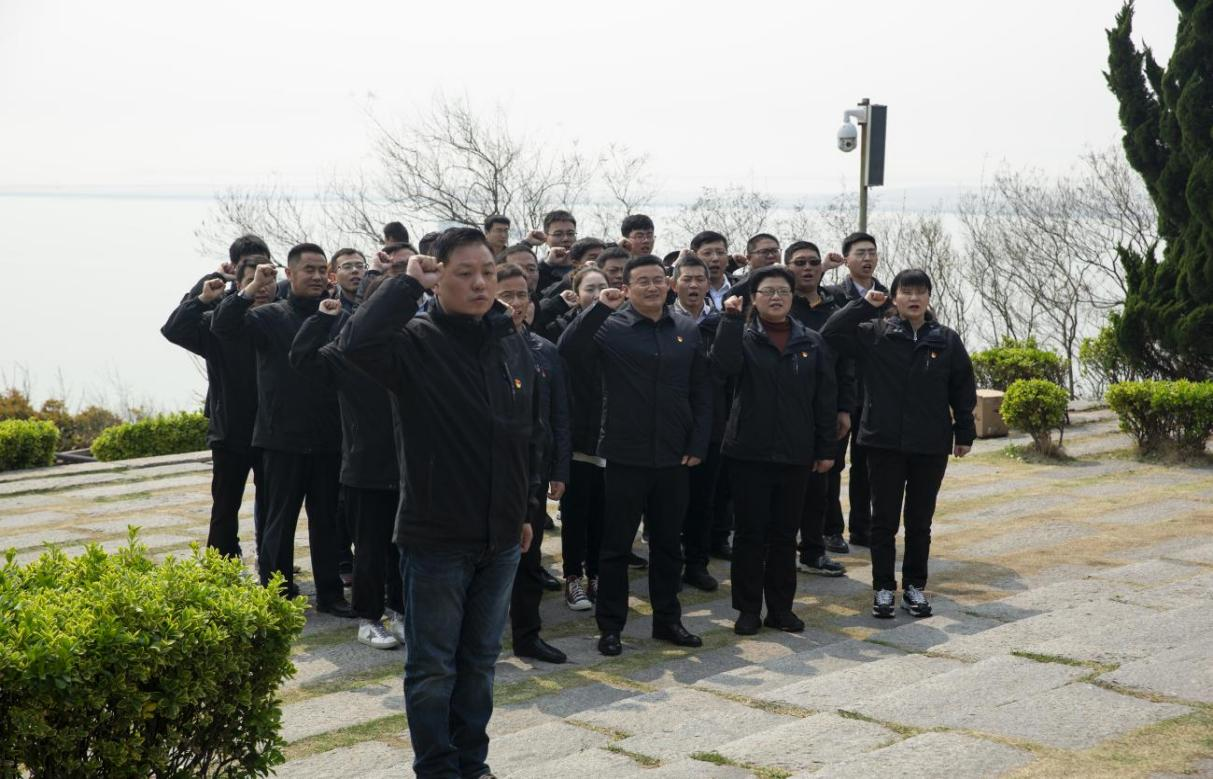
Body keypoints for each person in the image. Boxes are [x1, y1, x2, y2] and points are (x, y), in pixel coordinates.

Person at [335, 228, 539, 778]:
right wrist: (405, 286)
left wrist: (525, 509)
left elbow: (524, 433)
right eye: (464, 273)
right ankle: (437, 768)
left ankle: (473, 763)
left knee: (480, 662)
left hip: (501, 535)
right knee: (432, 668)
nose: (480, 284)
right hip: (436, 537)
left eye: (488, 273)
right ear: (438, 278)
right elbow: (355, 345)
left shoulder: (508, 339)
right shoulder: (415, 342)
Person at [558, 255, 712, 656]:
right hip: (625, 455)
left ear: (669, 285)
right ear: (626, 288)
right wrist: (598, 308)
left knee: (668, 546)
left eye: (658, 279)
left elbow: (700, 390)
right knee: (615, 547)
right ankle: (611, 627)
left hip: (674, 456)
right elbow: (568, 350)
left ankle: (668, 620)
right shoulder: (611, 326)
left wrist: (698, 443)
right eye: (642, 281)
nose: (652, 287)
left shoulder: (686, 328)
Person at [822, 268, 976, 619]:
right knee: (884, 522)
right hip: (883, 442)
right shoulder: (875, 333)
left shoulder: (945, 339)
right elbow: (830, 333)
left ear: (929, 298)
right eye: (906, 291)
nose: (914, 298)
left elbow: (962, 387)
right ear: (894, 297)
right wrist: (863, 305)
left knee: (920, 522)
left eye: (920, 291)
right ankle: (882, 588)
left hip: (930, 444)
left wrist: (964, 433)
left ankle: (914, 587)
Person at [211, 244, 350, 616]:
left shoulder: (337, 315)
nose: (317, 276)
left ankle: (331, 595)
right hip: (280, 439)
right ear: (290, 274)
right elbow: (223, 325)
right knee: (279, 522)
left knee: (326, 522)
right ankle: (277, 593)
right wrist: (250, 287)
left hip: (329, 438)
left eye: (322, 269)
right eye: (308, 269)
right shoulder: (269, 316)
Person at [713, 267, 837, 634]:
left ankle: (781, 609)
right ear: (754, 298)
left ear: (792, 296)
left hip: (795, 453)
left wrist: (825, 448)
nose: (776, 297)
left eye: (783, 290)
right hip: (748, 453)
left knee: (785, 535)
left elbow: (824, 398)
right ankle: (748, 609)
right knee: (749, 535)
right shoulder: (742, 336)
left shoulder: (811, 341)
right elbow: (723, 367)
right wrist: (730, 321)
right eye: (767, 291)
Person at [289, 282, 406, 650]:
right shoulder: (344, 352)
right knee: (369, 550)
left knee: (403, 548)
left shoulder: (410, 346)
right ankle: (369, 619)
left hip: (409, 469)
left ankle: (400, 612)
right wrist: (322, 319)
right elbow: (301, 358)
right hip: (364, 469)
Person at [161, 255, 271, 560]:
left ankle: (272, 563)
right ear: (239, 285)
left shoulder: (282, 319)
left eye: (267, 280)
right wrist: (202, 295)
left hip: (274, 431)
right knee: (225, 505)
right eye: (252, 280)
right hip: (231, 430)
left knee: (274, 505)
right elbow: (174, 329)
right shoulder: (217, 325)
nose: (261, 286)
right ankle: (221, 565)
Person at [496, 264, 572, 664]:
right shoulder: (479, 348)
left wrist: (559, 470)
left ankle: (528, 635)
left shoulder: (544, 349)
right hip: (488, 472)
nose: (515, 304)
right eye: (505, 295)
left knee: (529, 558)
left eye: (522, 295)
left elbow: (558, 415)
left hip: (533, 471)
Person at [783, 241, 853, 575]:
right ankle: (779, 552)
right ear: (787, 268)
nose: (808, 268)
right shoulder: (778, 305)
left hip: (823, 408)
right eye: (800, 263)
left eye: (814, 262)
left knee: (820, 484)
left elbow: (846, 364)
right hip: (781, 409)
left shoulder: (835, 308)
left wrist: (844, 408)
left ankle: (813, 551)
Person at [824, 231, 889, 548]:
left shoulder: (889, 296)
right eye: (860, 253)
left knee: (868, 466)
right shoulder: (834, 295)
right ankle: (831, 529)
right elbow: (831, 334)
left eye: (872, 253)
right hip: (841, 391)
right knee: (832, 463)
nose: (867, 258)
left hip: (875, 393)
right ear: (846, 259)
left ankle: (862, 529)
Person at [553, 267, 610, 610]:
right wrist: (599, 309)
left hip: (612, 440)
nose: (598, 293)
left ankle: (598, 574)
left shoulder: (622, 326)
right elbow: (569, 348)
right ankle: (573, 576)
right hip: (579, 438)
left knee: (603, 515)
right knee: (576, 515)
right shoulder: (567, 327)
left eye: (604, 286)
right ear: (576, 293)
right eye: (591, 288)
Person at [671, 255, 727, 592]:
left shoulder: (722, 322)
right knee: (670, 503)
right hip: (670, 425)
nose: (693, 285)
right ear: (674, 283)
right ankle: (669, 565)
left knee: (704, 501)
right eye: (687, 279)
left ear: (709, 284)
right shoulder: (663, 321)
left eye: (699, 279)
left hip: (713, 425)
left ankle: (696, 564)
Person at [533, 209, 578, 291]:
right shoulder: (537, 271)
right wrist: (547, 266)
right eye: (558, 234)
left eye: (570, 233)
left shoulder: (583, 267)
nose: (566, 239)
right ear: (546, 238)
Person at [692, 231, 733, 311]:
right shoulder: (688, 290)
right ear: (694, 258)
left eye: (720, 253)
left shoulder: (742, 285)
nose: (715, 258)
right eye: (707, 253)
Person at [329, 248, 366, 314]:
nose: (355, 270)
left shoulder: (380, 300)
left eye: (360, 266)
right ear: (334, 278)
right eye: (347, 267)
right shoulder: (329, 310)